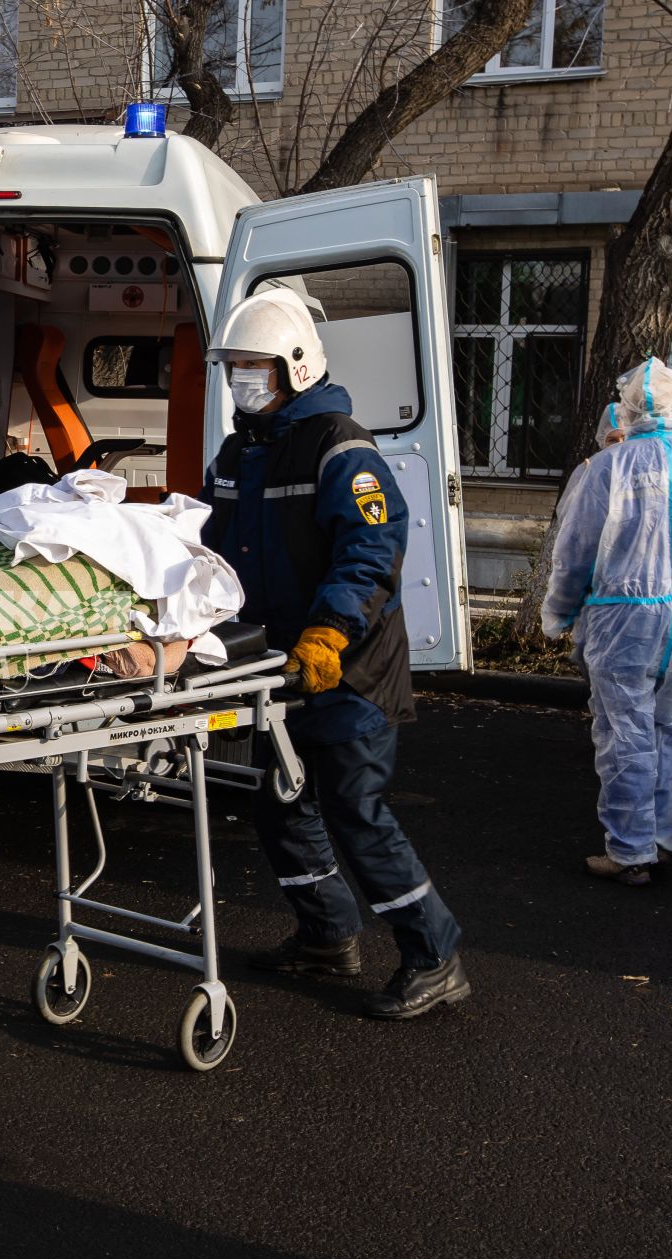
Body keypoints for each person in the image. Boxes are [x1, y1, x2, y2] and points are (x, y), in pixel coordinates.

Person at [201, 290, 468, 1019]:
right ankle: (328, 935)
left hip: (347, 665)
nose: (240, 381)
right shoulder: (239, 452)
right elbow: (211, 550)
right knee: (280, 806)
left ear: (294, 366)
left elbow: (370, 552)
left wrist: (329, 634)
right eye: (233, 368)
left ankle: (433, 953)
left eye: (253, 367)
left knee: (355, 810)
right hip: (274, 666)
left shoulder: (341, 447)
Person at [542, 356, 672, 885]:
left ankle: (632, 852)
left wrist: (559, 613)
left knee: (626, 733)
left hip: (625, 623)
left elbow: (575, 554)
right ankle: (660, 831)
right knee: (669, 724)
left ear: (627, 408)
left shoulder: (606, 469)